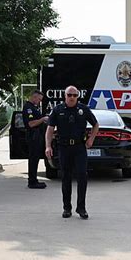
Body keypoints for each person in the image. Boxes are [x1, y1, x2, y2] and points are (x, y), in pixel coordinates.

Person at [45, 86, 99, 219]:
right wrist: (48, 146)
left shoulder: (83, 109)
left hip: (79, 148)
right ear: (65, 96)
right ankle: (66, 208)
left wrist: (91, 139)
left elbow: (95, 124)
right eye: (70, 95)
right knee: (66, 177)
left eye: (75, 95)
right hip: (64, 148)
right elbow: (50, 129)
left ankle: (81, 208)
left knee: (82, 176)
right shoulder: (58, 110)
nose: (72, 97)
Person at [22, 90, 48, 189]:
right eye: (39, 99)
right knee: (33, 159)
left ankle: (34, 180)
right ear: (34, 97)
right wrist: (42, 119)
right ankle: (32, 182)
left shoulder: (33, 108)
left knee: (35, 159)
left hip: (37, 136)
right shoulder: (28, 108)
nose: (40, 102)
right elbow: (31, 124)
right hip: (33, 137)